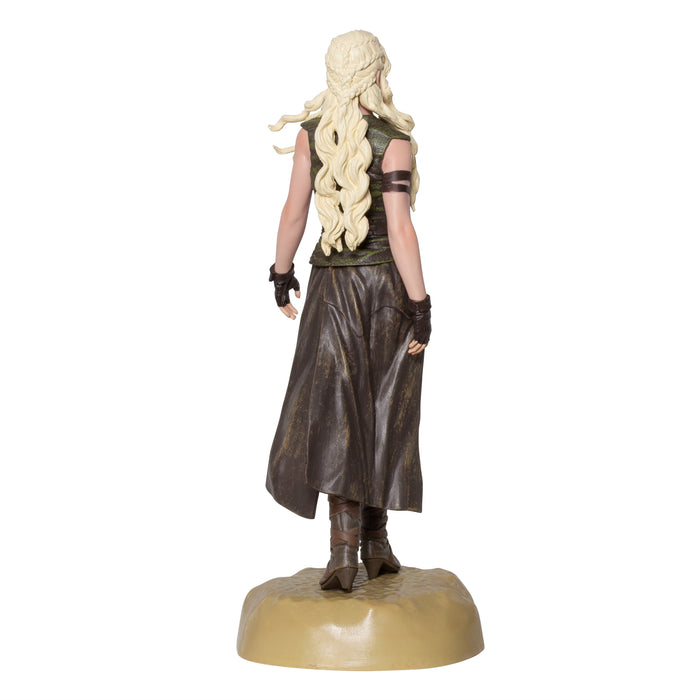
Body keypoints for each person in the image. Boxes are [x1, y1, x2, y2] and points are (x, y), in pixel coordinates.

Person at [265, 30, 432, 592]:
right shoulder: (394, 141)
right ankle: (375, 544)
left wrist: (282, 272)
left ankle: (344, 551)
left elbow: (294, 211)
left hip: (332, 291)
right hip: (385, 291)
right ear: (376, 75)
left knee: (338, 412)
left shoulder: (314, 136)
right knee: (384, 408)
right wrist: (420, 303)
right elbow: (401, 231)